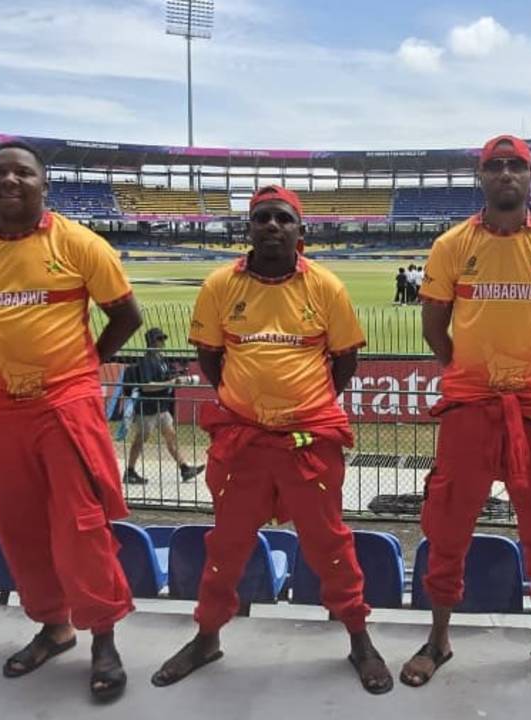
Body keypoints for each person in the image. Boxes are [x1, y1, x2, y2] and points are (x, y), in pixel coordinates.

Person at [151, 185, 394, 695]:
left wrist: (305, 404)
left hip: (309, 442)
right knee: (226, 545)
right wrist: (247, 402)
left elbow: (344, 359)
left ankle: (358, 638)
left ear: (300, 231)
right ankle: (207, 636)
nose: (272, 226)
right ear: (248, 228)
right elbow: (211, 358)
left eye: (283, 218)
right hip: (244, 442)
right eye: (262, 218)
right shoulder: (220, 285)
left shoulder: (325, 286)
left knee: (330, 544)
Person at [0, 140, 143, 702]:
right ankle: (54, 627)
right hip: (2, 404)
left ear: (43, 185)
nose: (9, 180)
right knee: (21, 524)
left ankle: (102, 637)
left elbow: (126, 316)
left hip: (65, 401)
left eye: (23, 172)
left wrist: (83, 365)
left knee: (81, 525)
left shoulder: (79, 243)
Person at [401, 135, 531, 691]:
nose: (506, 174)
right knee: (447, 524)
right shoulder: (451, 246)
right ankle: (438, 640)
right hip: (470, 407)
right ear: (481, 177)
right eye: (495, 166)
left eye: (516, 166)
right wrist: (468, 373)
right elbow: (433, 326)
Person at [123, 327, 205, 485]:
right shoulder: (146, 361)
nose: (163, 342)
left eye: (163, 339)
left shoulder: (161, 359)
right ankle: (130, 471)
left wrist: (177, 378)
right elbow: (146, 386)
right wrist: (170, 382)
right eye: (160, 339)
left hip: (161, 407)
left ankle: (184, 468)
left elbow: (166, 377)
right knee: (141, 439)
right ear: (152, 342)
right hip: (147, 408)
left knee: (171, 436)